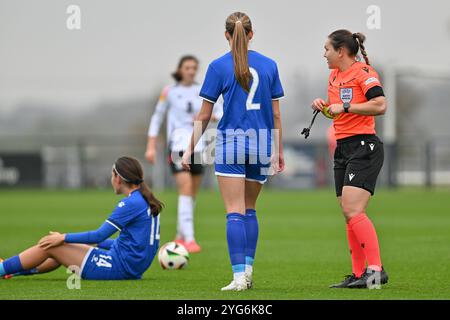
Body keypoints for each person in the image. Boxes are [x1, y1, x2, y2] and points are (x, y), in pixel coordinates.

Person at [182, 12, 284, 291]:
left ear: (227, 35)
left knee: (234, 212)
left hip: (230, 144)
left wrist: (189, 148)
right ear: (251, 34)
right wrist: (278, 150)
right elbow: (276, 115)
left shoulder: (218, 67)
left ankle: (239, 278)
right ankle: (247, 273)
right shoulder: (270, 65)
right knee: (250, 210)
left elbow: (204, 115)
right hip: (262, 144)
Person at [0, 156, 163, 281]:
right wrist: (73, 240)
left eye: (112, 175)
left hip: (117, 268)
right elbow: (134, 246)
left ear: (118, 178)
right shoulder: (145, 199)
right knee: (61, 243)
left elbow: (100, 235)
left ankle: (3, 268)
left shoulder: (131, 203)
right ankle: (12, 271)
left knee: (49, 245)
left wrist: (64, 237)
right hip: (130, 268)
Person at [311, 29, 388, 289]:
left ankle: (376, 271)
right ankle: (358, 274)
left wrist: (344, 107)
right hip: (343, 148)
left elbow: (380, 105)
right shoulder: (334, 75)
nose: (324, 54)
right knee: (348, 213)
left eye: (327, 49)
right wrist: (325, 109)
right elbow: (340, 114)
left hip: (364, 146)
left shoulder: (364, 73)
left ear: (341, 51)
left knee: (353, 209)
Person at [145, 55, 222, 253]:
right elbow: (157, 117)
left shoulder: (202, 91)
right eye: (187, 67)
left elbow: (220, 111)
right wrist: (151, 146)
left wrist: (212, 117)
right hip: (178, 146)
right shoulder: (169, 92)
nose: (191, 71)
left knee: (192, 193)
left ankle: (180, 234)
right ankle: (189, 238)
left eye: (194, 67)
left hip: (199, 146)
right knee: (185, 188)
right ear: (180, 69)